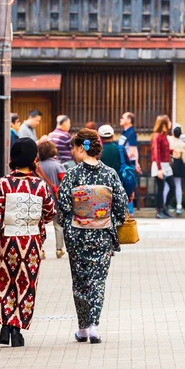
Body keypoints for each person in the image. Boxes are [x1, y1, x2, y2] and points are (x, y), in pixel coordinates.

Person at [0, 138, 55, 347]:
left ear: (12, 159)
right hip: (31, 241)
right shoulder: (39, 185)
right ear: (34, 159)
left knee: (5, 280)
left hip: (7, 240)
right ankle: (18, 329)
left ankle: (6, 323)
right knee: (26, 283)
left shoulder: (3, 183)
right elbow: (49, 212)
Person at [58, 128, 127, 344]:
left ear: (81, 148)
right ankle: (95, 325)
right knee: (98, 281)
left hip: (77, 235)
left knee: (80, 282)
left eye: (74, 147)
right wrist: (110, 223)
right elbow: (121, 204)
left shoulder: (72, 174)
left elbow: (64, 206)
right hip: (102, 235)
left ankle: (83, 328)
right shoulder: (109, 174)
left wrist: (71, 225)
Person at [37, 140, 66, 259]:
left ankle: (41, 250)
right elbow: (63, 182)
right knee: (58, 225)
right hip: (55, 200)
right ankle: (59, 249)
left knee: (39, 224)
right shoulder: (58, 166)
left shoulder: (37, 166)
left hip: (40, 199)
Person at [151, 115, 176, 219]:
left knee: (172, 187)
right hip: (159, 165)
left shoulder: (164, 135)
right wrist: (159, 169)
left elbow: (163, 150)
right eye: (169, 121)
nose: (170, 123)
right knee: (160, 188)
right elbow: (156, 152)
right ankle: (159, 211)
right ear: (164, 123)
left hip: (165, 164)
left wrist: (172, 151)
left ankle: (164, 208)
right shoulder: (157, 136)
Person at [119, 111, 141, 214]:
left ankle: (129, 211)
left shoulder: (131, 133)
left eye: (123, 118)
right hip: (127, 162)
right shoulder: (125, 132)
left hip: (127, 164)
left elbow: (132, 151)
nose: (121, 119)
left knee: (128, 186)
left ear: (129, 120)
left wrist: (123, 159)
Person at [163, 125, 185, 215]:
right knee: (178, 184)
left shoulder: (168, 139)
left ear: (173, 132)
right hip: (178, 163)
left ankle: (164, 205)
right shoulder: (182, 143)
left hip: (169, 162)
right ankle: (179, 205)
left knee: (166, 184)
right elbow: (184, 157)